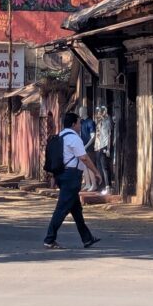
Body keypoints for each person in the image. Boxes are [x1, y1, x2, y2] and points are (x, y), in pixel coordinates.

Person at [43, 111, 102, 250]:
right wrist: (96, 172)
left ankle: (87, 238)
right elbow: (84, 158)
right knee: (62, 208)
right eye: (79, 122)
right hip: (71, 176)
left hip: (62, 175)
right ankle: (49, 239)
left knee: (76, 209)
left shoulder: (60, 136)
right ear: (74, 123)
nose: (80, 125)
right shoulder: (74, 139)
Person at [93, 106, 112, 195]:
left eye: (100, 112)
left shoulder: (107, 122)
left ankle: (108, 187)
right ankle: (103, 186)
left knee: (105, 167)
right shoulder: (98, 123)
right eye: (98, 112)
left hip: (104, 146)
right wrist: (96, 146)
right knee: (100, 167)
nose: (98, 114)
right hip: (99, 147)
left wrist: (108, 148)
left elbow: (109, 135)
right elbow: (97, 135)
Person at [78, 106, 97, 192]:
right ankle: (87, 183)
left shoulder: (90, 122)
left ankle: (94, 184)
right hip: (82, 148)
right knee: (84, 166)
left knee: (90, 166)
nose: (80, 113)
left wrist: (86, 146)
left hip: (89, 149)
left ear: (85, 112)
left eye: (81, 111)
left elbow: (93, 136)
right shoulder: (81, 122)